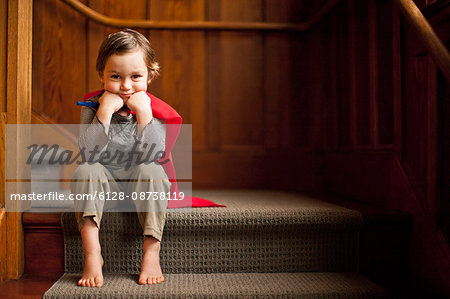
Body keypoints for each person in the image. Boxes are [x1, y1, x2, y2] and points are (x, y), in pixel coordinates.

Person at [71, 29, 170, 287]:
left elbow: (156, 154)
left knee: (153, 171)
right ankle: (93, 255)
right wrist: (104, 112)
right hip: (105, 186)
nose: (126, 86)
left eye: (135, 76)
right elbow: (88, 154)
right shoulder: (93, 107)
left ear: (150, 75)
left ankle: (151, 252)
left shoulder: (154, 109)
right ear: (101, 76)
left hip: (140, 185)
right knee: (85, 170)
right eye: (115, 77)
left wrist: (144, 114)